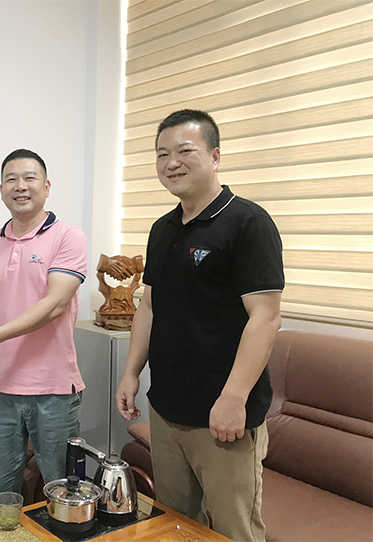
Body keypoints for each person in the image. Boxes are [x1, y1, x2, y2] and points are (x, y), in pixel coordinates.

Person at [115, 109, 284, 542]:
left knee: (233, 531)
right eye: (162, 154)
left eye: (185, 150)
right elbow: (149, 306)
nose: (171, 162)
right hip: (166, 410)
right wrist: (132, 371)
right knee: (174, 525)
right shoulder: (162, 229)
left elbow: (265, 318)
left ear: (215, 156)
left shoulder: (248, 222)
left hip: (223, 417)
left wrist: (234, 399)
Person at [0, 148, 87, 516]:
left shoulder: (68, 236)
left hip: (53, 388)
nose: (20, 186)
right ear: (1, 190)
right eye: (11, 180)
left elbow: (55, 304)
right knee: (0, 493)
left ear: (46, 186)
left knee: (65, 492)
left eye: (30, 178)